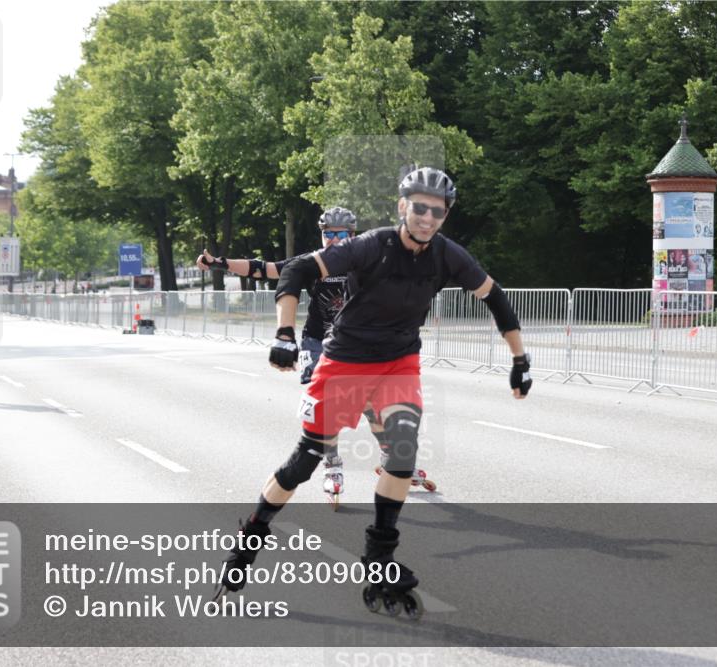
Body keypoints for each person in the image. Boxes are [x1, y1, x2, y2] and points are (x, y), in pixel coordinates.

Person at [216, 167, 532, 617]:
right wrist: (285, 333)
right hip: (344, 363)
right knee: (304, 462)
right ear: (403, 206)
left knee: (402, 450)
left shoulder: (447, 255)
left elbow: (495, 297)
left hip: (398, 364)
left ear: (445, 216)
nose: (426, 217)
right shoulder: (374, 245)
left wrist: (520, 361)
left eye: (436, 212)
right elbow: (300, 269)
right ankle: (249, 539)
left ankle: (379, 558)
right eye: (418, 207)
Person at [196, 207, 438, 505]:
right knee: (329, 408)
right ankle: (332, 466)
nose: (334, 241)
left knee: (372, 404)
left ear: (352, 236)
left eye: (341, 235)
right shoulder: (315, 262)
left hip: (356, 343)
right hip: (318, 341)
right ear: (321, 235)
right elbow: (265, 268)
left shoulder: (365, 259)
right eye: (328, 234)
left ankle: (391, 456)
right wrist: (219, 263)